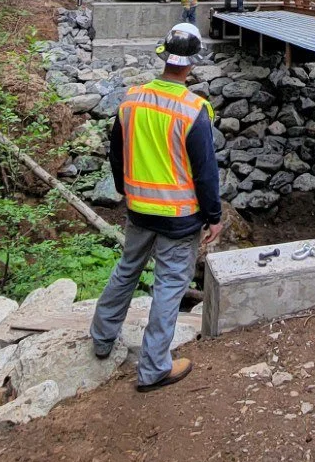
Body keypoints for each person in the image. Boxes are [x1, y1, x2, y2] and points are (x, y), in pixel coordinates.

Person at [90, 21, 222, 391]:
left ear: (164, 58)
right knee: (168, 287)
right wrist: (214, 216)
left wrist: (123, 190)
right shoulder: (193, 109)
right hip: (180, 218)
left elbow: (116, 153)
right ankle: (153, 369)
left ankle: (101, 337)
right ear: (192, 64)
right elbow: (205, 173)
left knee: (126, 269)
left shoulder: (131, 100)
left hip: (138, 209)